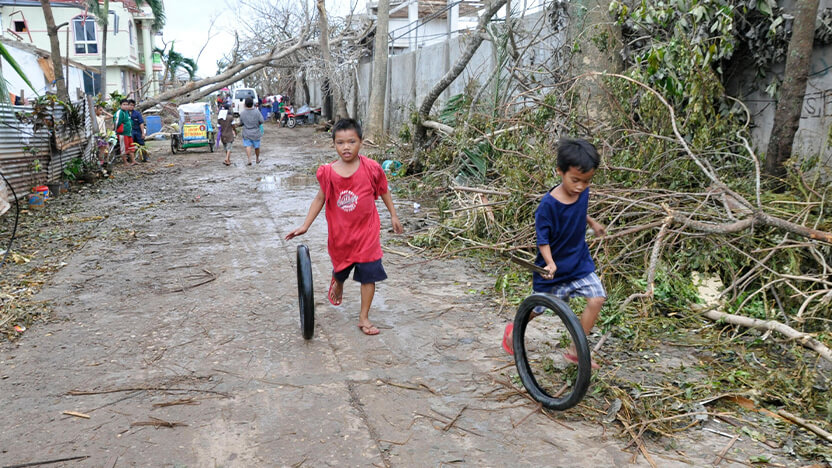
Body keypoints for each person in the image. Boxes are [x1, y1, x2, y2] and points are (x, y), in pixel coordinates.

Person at [285, 119, 404, 336]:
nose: (346, 147)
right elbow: (320, 198)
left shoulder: (372, 169)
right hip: (341, 237)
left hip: (367, 234)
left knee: (369, 274)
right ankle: (338, 282)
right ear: (334, 145)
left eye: (351, 141)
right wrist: (305, 225)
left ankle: (364, 317)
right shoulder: (328, 173)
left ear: (361, 143)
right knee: (341, 271)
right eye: (340, 143)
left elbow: (384, 190)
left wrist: (394, 216)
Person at [501, 138, 607, 368]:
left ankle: (575, 350)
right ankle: (513, 331)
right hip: (554, 271)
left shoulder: (583, 192)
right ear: (560, 171)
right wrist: (549, 263)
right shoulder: (547, 206)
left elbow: (579, 212)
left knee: (597, 298)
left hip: (579, 264)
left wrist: (592, 223)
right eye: (575, 180)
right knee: (537, 309)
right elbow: (543, 240)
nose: (580, 186)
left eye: (587, 181)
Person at [239, 97, 264, 165]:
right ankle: (257, 159)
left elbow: (241, 123)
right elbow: (261, 121)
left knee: (248, 146)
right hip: (256, 132)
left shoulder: (242, 113)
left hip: (246, 133)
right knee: (257, 147)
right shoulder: (257, 112)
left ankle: (249, 159)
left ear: (245, 104)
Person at [113, 99, 135, 165]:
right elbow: (116, 123)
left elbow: (129, 121)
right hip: (122, 134)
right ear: (120, 105)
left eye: (127, 104)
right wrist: (117, 131)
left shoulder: (127, 112)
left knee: (131, 147)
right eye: (124, 104)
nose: (125, 106)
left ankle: (133, 161)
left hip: (128, 133)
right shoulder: (120, 112)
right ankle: (125, 162)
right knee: (124, 148)